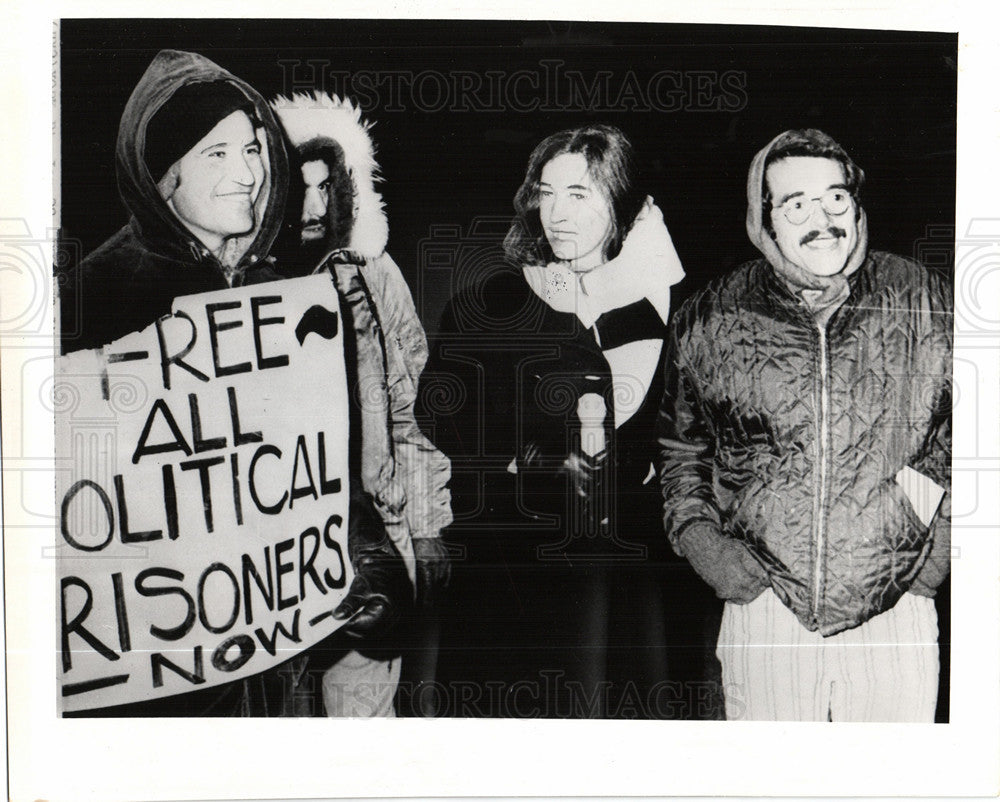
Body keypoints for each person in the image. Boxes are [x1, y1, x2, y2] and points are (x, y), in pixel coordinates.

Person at [58, 49, 409, 716]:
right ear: (165, 177)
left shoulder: (265, 293)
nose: (248, 174)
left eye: (252, 150)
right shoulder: (100, 297)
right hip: (161, 678)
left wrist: (359, 553)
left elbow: (301, 457)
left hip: (251, 660)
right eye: (216, 155)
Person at [656, 128, 952, 722]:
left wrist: (935, 559)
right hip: (765, 608)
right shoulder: (712, 316)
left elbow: (970, 440)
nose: (822, 218)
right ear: (764, 218)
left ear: (856, 204)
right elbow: (681, 453)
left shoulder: (923, 299)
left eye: (835, 198)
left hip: (896, 603)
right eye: (796, 203)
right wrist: (714, 556)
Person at [419, 124, 686, 717]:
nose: (557, 213)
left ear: (622, 204)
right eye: (546, 193)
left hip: (628, 571)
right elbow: (439, 416)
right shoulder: (492, 301)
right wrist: (528, 461)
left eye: (580, 194)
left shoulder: (668, 309)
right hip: (516, 565)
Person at [268, 90, 453, 716]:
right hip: (270, 551)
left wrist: (427, 527)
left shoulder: (376, 276)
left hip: (371, 537)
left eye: (327, 187)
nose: (314, 206)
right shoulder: (234, 289)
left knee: (364, 720)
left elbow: (414, 415)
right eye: (301, 188)